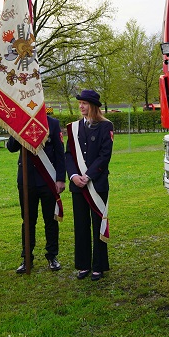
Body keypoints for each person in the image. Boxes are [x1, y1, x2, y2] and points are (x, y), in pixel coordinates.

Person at [6, 109, 66, 273]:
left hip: (48, 180)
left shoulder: (51, 124)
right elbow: (11, 147)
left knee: (50, 220)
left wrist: (60, 178)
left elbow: (60, 153)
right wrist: (17, 129)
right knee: (28, 220)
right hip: (27, 181)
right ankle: (27, 258)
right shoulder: (21, 123)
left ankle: (52, 256)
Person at [65, 89, 113, 281]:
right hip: (78, 185)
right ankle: (83, 265)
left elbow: (104, 155)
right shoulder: (74, 128)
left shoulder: (105, 126)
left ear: (93, 106)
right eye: (79, 104)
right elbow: (68, 154)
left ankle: (98, 266)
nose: (81, 107)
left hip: (97, 184)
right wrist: (74, 176)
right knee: (81, 226)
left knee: (97, 224)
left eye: (84, 103)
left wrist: (88, 176)